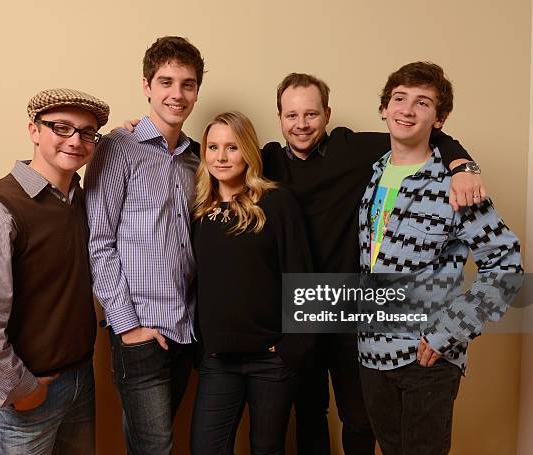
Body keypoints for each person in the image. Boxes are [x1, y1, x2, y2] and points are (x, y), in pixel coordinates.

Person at [261, 73, 484, 454]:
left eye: (311, 114)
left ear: (327, 114)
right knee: (309, 412)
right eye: (292, 115)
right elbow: (217, 153)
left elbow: (427, 136)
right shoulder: (266, 160)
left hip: (355, 307)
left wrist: (463, 165)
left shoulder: (355, 149)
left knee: (360, 417)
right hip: (300, 307)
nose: (301, 124)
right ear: (279, 116)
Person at [357, 61, 522, 455]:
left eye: (422, 103)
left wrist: (450, 331)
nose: (407, 110)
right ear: (384, 108)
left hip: (426, 358)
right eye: (399, 99)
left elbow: (506, 265)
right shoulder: (372, 173)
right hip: (371, 354)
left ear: (440, 118)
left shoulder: (457, 186)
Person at [0, 88, 110, 454]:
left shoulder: (81, 200)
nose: (75, 140)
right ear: (34, 131)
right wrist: (22, 389)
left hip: (79, 384)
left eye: (87, 133)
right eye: (61, 128)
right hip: (22, 400)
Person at [84, 36, 204, 454]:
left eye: (187, 84)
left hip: (186, 331)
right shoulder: (118, 148)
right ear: (146, 86)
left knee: (153, 445)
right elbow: (98, 243)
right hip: (140, 331)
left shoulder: (196, 159)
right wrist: (128, 326)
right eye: (166, 81)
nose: (177, 93)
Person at [190, 111, 313, 455]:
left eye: (232, 147)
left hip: (271, 359)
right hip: (218, 359)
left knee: (267, 448)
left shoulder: (277, 202)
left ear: (248, 151)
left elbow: (301, 276)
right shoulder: (200, 211)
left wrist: (292, 348)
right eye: (212, 147)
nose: (221, 156)